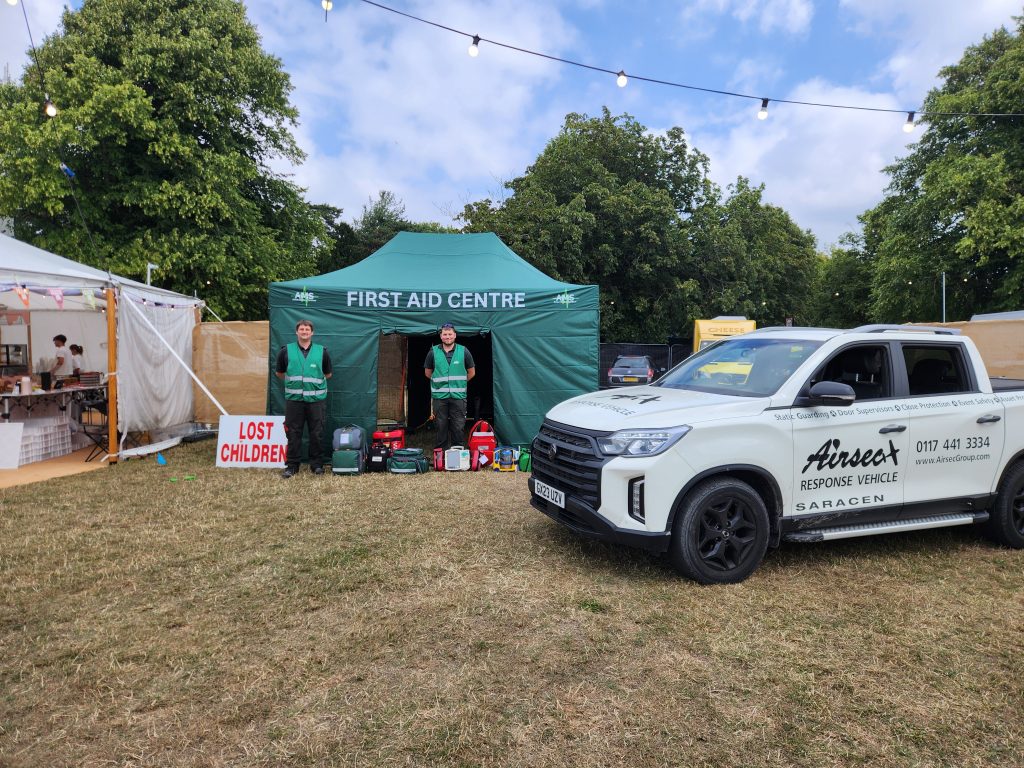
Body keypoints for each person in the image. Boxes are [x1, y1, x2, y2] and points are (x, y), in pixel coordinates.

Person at [275, 319, 332, 478]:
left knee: (317, 433)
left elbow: (328, 374)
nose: (304, 331)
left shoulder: (322, 352)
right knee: (293, 433)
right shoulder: (286, 351)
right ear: (297, 332)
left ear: (312, 333)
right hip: (294, 401)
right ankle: (292, 466)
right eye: (302, 329)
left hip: (316, 401)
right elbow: (279, 372)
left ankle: (317, 466)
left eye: (307, 329)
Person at [424, 322, 475, 451]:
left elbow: (471, 372)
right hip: (439, 396)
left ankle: (457, 453)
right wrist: (440, 383)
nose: (447, 337)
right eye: (445, 334)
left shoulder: (464, 351)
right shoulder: (433, 352)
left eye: (450, 334)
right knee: (441, 426)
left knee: (458, 426)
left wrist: (459, 383)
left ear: (455, 335)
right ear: (441, 336)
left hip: (458, 396)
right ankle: (441, 454)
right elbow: (428, 372)